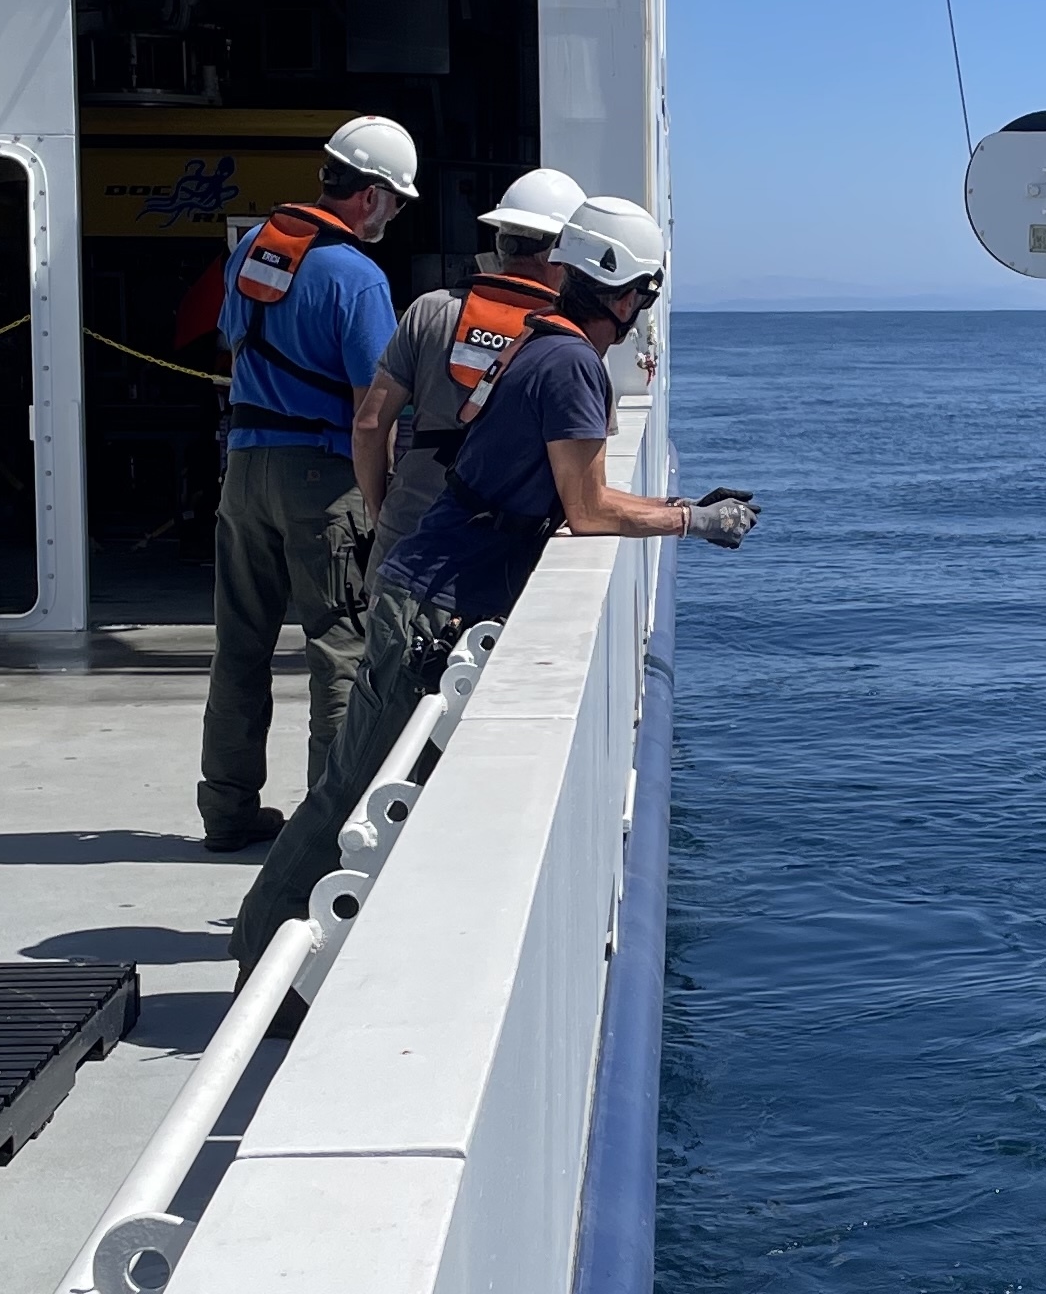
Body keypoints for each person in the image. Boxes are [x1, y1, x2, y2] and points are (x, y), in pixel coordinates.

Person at [231, 194, 758, 976]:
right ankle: (258, 959)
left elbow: (578, 490)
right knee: (351, 789)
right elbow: (587, 509)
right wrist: (692, 524)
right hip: (435, 605)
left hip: (427, 587)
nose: (646, 309)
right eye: (646, 293)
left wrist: (682, 504)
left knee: (363, 780)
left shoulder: (544, 345)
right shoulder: (573, 364)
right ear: (623, 292)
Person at [197, 116, 417, 854]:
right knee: (339, 649)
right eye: (398, 201)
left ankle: (226, 810)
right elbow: (372, 410)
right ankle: (325, 837)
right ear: (375, 196)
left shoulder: (253, 250)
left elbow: (236, 345)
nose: (396, 215)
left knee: (240, 646)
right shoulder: (358, 277)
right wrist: (383, 503)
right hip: (321, 480)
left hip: (245, 466)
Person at [347, 165, 586, 580]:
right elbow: (581, 477)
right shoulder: (566, 343)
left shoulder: (431, 310)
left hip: (407, 532)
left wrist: (383, 508)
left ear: (500, 239)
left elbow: (369, 425)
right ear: (558, 253)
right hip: (501, 549)